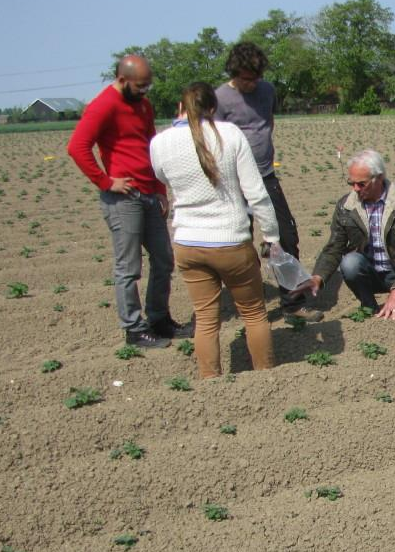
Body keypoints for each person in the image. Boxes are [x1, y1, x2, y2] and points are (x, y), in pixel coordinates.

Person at [150, 82, 282, 378]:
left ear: (180, 108)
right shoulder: (230, 134)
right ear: (213, 108)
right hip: (230, 241)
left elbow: (161, 176)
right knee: (253, 314)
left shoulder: (160, 142)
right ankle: (266, 376)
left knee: (207, 320)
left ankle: (210, 384)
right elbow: (257, 194)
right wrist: (271, 236)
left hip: (187, 243)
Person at [67, 54, 189, 347]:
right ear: (122, 80)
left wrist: (160, 188)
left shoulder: (143, 105)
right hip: (124, 199)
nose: (145, 91)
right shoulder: (103, 105)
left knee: (163, 258)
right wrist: (106, 181)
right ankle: (134, 329)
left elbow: (152, 147)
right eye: (140, 86)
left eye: (148, 85)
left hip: (149, 193)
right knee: (129, 267)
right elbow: (77, 147)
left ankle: (159, 320)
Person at [214, 42, 321, 323]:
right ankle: (250, 307)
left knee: (286, 237)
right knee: (239, 245)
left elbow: (267, 123)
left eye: (256, 77)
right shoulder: (220, 98)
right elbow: (212, 141)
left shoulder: (268, 91)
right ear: (234, 73)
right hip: (233, 183)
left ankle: (292, 303)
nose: (252, 84)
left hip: (265, 177)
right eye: (246, 79)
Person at [309, 149, 395, 320]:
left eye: (361, 184)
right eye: (351, 183)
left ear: (378, 178)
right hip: (369, 271)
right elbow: (334, 247)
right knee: (349, 263)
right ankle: (368, 305)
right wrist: (317, 277)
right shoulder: (345, 206)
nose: (355, 189)